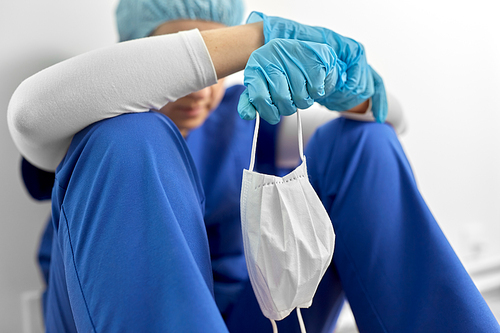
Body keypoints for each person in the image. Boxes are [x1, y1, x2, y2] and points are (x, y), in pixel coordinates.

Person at [8, 0, 499, 332]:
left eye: (215, 66)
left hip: (255, 315)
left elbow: (396, 119)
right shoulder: (87, 124)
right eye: (191, 59)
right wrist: (257, 37)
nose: (201, 89)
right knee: (127, 135)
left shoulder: (249, 111)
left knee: (363, 142)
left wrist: (347, 80)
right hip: (117, 310)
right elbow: (29, 113)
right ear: (144, 57)